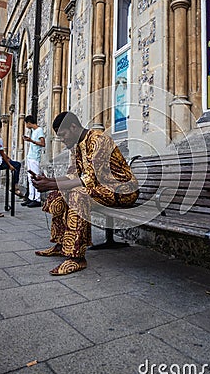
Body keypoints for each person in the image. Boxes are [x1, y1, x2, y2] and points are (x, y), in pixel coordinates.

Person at [32, 111, 139, 276]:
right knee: (59, 194)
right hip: (99, 188)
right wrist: (49, 182)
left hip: (122, 190)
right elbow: (73, 175)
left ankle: (76, 258)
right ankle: (61, 244)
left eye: (63, 134)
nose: (62, 139)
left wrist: (52, 185)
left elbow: (89, 179)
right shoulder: (76, 146)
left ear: (73, 127)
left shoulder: (98, 140)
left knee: (78, 194)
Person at [0, 118, 22, 217]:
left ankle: (14, 186)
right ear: (0, 128)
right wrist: (9, 165)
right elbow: (1, 153)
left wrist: (8, 159)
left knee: (16, 164)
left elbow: (0, 153)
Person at [22, 115, 45, 207]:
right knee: (30, 178)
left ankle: (37, 199)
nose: (26, 126)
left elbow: (42, 143)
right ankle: (31, 197)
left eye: (26, 124)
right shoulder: (33, 131)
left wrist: (31, 140)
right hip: (30, 156)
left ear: (29, 123)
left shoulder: (39, 130)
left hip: (35, 157)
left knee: (35, 177)